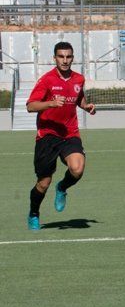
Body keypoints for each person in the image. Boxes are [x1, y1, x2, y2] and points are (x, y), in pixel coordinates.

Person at [26, 41, 96, 230]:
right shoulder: (47, 80)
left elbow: (78, 97)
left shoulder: (79, 79)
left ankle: (62, 187)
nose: (65, 60)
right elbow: (30, 106)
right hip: (47, 135)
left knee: (77, 168)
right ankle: (33, 212)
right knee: (43, 183)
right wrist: (50, 103)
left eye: (68, 57)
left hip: (69, 133)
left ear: (73, 58)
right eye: (61, 56)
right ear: (54, 58)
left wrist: (85, 106)